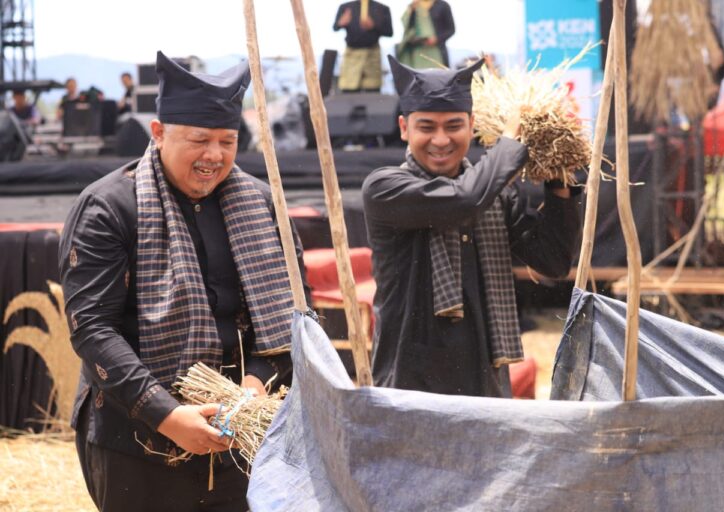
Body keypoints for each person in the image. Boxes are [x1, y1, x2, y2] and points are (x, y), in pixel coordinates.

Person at [59, 51, 308, 512]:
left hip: (243, 439)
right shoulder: (109, 207)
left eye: (227, 141)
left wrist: (253, 387)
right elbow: (92, 328)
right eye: (199, 140)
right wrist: (167, 415)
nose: (214, 156)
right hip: (134, 441)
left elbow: (294, 310)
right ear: (158, 132)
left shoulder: (262, 203)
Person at [362, 56, 581, 397]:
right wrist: (510, 144)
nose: (440, 140)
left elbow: (553, 261)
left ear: (472, 125)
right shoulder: (385, 188)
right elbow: (464, 199)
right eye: (426, 127)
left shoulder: (492, 192)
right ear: (404, 128)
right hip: (410, 387)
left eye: (453, 126)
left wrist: (557, 179)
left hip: (486, 383)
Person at [333, 0, 393, 92]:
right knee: (348, 90)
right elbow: (335, 27)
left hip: (372, 54)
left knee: (373, 91)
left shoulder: (382, 8)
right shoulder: (346, 7)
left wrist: (374, 26)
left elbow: (389, 32)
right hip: (352, 55)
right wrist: (340, 23)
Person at [395, 0, 455, 69]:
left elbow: (450, 30)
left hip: (437, 52)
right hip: (416, 54)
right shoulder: (414, 5)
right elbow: (408, 28)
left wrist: (437, 39)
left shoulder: (442, 5)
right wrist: (412, 11)